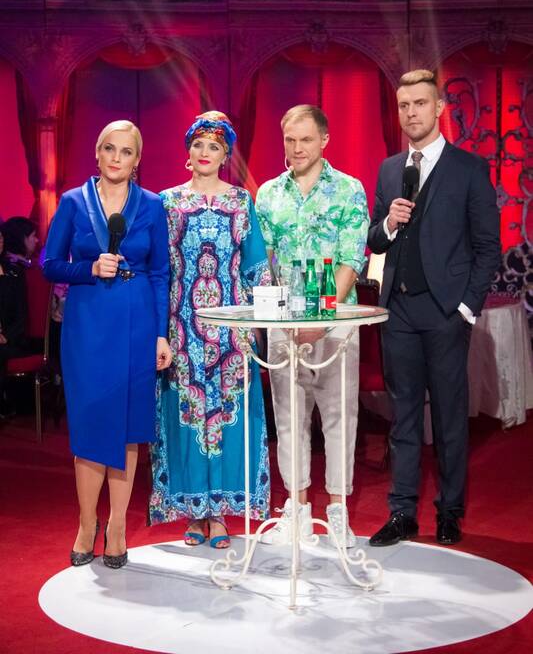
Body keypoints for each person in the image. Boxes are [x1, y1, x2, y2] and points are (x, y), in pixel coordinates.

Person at [367, 70, 500, 547]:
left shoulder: (469, 168)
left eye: (420, 103)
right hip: (398, 311)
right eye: (404, 105)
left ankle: (450, 511)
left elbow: (488, 248)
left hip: (445, 312)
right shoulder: (390, 170)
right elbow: (374, 239)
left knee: (448, 417)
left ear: (439, 108)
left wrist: (465, 307)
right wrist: (389, 222)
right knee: (402, 416)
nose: (411, 113)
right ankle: (402, 512)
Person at [43, 120, 172, 568]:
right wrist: (89, 269)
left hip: (137, 322)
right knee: (90, 423)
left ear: (137, 161)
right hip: (88, 325)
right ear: (97, 153)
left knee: (129, 426)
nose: (117, 158)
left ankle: (117, 526)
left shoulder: (152, 205)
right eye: (110, 149)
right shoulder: (72, 202)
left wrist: (160, 333)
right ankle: (86, 523)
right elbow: (49, 264)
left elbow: (160, 273)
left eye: (127, 151)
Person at [149, 111, 271, 549]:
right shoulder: (167, 202)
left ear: (225, 155)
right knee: (186, 419)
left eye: (214, 147)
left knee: (226, 422)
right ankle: (193, 512)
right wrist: (157, 330)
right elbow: (159, 270)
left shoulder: (240, 202)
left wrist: (261, 328)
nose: (205, 152)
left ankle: (220, 513)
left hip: (231, 333)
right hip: (181, 330)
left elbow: (256, 269)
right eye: (199, 144)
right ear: (188, 151)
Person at [255, 104, 369, 547]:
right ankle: (297, 509)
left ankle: (338, 511)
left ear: (324, 140)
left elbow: (351, 261)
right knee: (289, 418)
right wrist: (276, 317)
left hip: (335, 324)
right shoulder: (269, 194)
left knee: (339, 416)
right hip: (284, 326)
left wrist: (321, 319)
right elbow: (264, 265)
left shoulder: (349, 190)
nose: (298, 148)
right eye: (290, 140)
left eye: (306, 139)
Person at [0, 228, 28, 418]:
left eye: (0, 236)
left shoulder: (14, 272)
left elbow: (21, 316)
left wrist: (5, 336)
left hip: (11, 339)